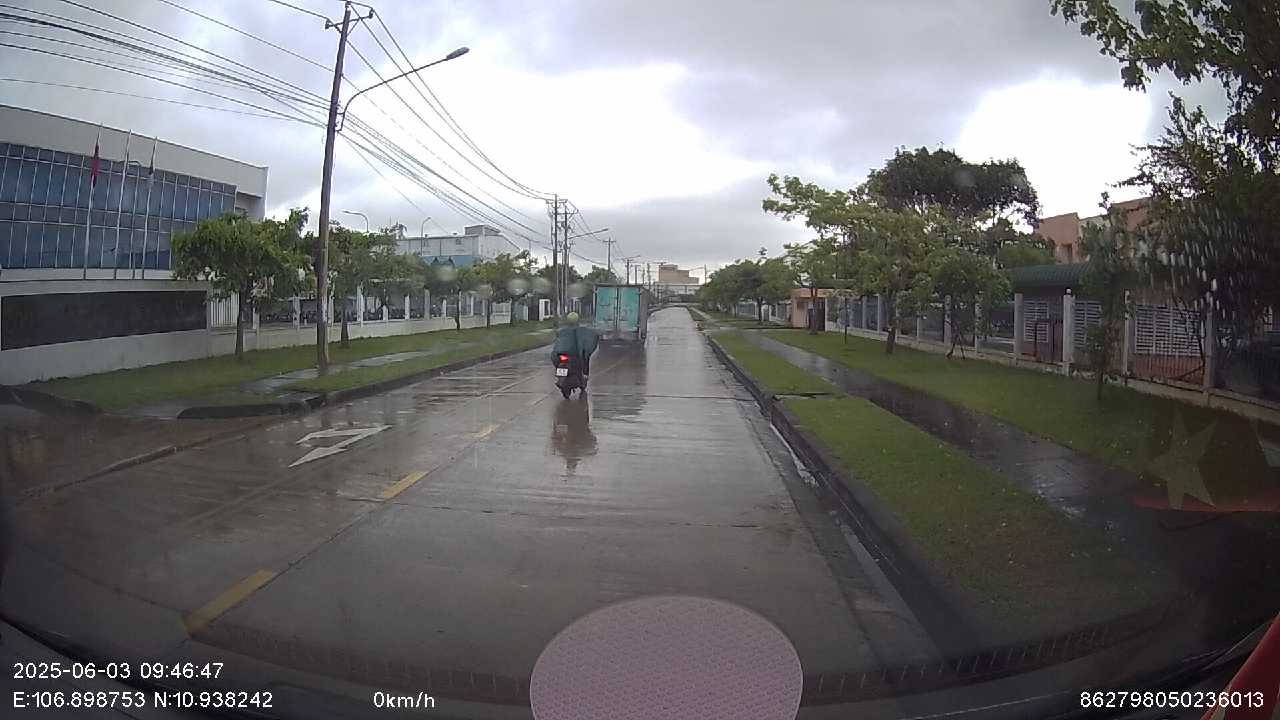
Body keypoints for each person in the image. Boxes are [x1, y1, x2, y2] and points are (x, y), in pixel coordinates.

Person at [552, 312, 600, 382]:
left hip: (561, 353)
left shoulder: (562, 331)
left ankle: (559, 374)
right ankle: (585, 374)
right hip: (573, 354)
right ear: (577, 320)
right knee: (585, 357)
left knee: (557, 359)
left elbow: (557, 340)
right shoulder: (580, 331)